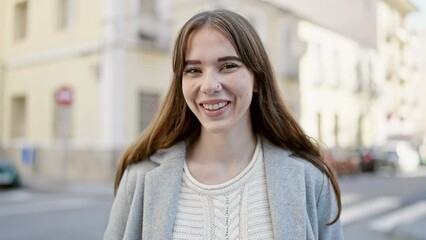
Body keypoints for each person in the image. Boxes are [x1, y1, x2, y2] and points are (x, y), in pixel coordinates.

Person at [104, 9, 344, 240]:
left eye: (228, 66)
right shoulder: (139, 178)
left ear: (257, 79)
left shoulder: (311, 180)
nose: (209, 85)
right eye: (194, 70)